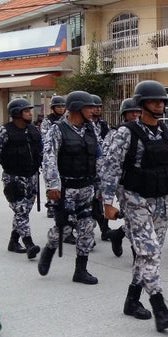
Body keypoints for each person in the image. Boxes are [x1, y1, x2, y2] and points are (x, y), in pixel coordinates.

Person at [102, 80, 168, 332]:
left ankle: (132, 300)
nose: (160, 105)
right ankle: (160, 308)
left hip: (160, 199)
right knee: (149, 252)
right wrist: (108, 202)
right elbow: (110, 168)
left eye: (162, 101)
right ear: (142, 104)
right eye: (154, 101)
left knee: (148, 254)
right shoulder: (126, 133)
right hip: (134, 199)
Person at [37, 90, 102, 285]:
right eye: (89, 107)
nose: (93, 111)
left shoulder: (91, 129)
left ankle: (80, 271)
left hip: (87, 186)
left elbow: (99, 156)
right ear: (76, 108)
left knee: (86, 228)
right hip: (66, 188)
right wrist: (53, 185)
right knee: (64, 228)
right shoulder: (57, 130)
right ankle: (49, 249)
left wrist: (101, 186)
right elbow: (49, 158)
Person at [1, 98, 42, 259]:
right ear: (16, 114)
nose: (30, 114)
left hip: (32, 177)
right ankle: (29, 243)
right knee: (21, 211)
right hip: (13, 178)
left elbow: (41, 151)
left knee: (24, 211)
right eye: (26, 111)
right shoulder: (5, 131)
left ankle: (13, 241)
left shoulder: (33, 130)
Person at [102, 98, 141, 258]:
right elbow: (107, 160)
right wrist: (107, 195)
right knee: (134, 218)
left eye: (138, 112)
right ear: (124, 114)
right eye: (132, 112)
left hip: (144, 183)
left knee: (142, 218)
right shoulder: (116, 133)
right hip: (124, 184)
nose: (136, 115)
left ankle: (118, 235)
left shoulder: (146, 131)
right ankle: (137, 255)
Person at [40, 96, 67, 220]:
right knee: (50, 179)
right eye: (58, 106)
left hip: (64, 154)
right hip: (51, 153)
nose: (61, 109)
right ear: (53, 108)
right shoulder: (48, 121)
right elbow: (45, 137)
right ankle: (51, 204)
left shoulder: (67, 119)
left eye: (63, 106)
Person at [90, 94, 112, 241]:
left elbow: (108, 143)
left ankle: (105, 228)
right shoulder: (84, 125)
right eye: (94, 107)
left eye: (99, 107)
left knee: (102, 198)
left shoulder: (104, 125)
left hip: (102, 168)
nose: (97, 109)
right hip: (86, 168)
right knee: (89, 202)